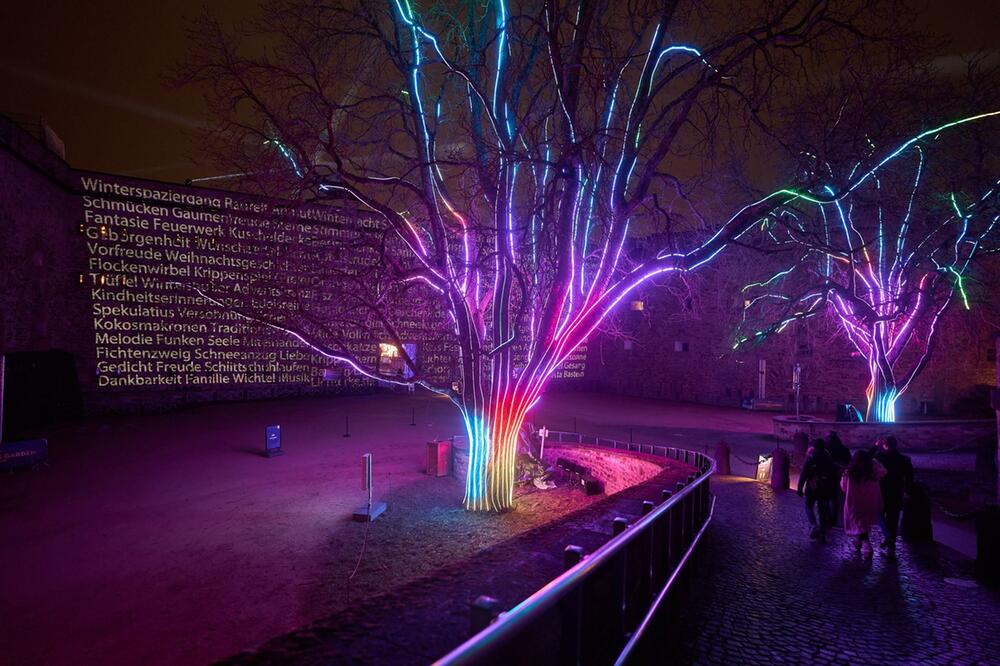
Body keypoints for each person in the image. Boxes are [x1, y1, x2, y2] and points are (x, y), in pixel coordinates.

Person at [874, 436, 914, 559]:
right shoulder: (905, 459)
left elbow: (867, 459)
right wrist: (908, 491)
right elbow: (909, 477)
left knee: (879, 514)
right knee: (894, 518)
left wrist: (875, 446)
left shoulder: (880, 457)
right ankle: (891, 546)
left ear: (885, 445)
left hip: (882, 491)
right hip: (897, 491)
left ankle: (888, 536)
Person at [841, 449, 887, 557]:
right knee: (863, 525)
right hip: (871, 502)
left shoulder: (849, 473)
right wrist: (875, 462)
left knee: (860, 524)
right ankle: (858, 542)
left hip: (855, 503)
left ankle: (867, 546)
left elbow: (843, 487)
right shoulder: (873, 472)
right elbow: (884, 471)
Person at [797, 439, 837, 543]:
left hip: (812, 486)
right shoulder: (828, 457)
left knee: (808, 505)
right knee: (822, 509)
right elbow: (833, 472)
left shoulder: (811, 457)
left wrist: (800, 488)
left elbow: (804, 473)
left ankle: (814, 525)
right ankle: (823, 532)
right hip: (825, 487)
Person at [826, 430, 851, 525]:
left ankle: (830, 519)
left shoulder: (827, 449)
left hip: (829, 475)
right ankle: (834, 518)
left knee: (829, 497)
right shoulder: (844, 449)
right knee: (835, 497)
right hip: (839, 475)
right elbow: (849, 462)